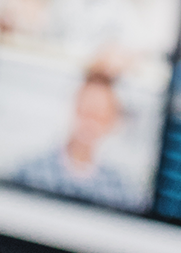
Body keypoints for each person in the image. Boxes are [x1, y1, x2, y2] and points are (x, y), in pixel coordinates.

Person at [11, 57, 146, 211]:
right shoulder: (30, 172)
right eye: (86, 112)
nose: (90, 124)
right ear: (74, 107)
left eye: (99, 117)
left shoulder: (121, 192)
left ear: (111, 122)